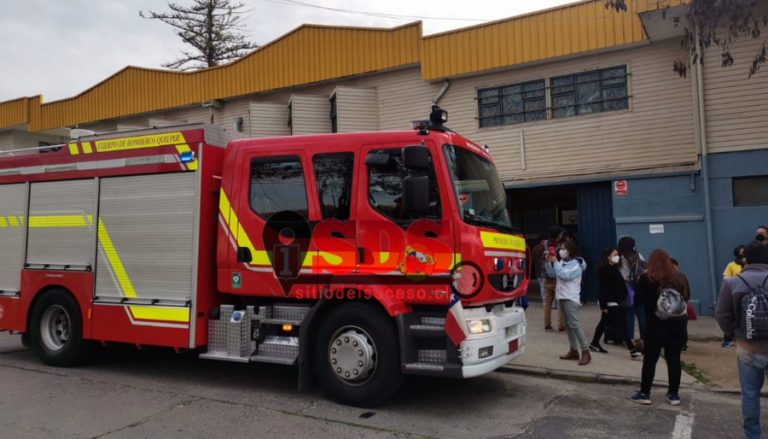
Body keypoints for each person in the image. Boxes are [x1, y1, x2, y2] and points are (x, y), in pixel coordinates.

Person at [715, 242, 768, 439]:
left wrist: (735, 333)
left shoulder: (733, 282)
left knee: (750, 394)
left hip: (748, 347)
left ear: (747, 259)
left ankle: (753, 435)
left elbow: (722, 315)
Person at [630, 249, 689, 405]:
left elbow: (638, 302)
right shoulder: (679, 278)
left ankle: (645, 392)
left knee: (650, 360)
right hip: (677, 324)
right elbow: (686, 297)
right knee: (674, 359)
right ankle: (673, 394)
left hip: (655, 324)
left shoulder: (647, 279)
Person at [589, 247, 641, 358]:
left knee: (603, 322)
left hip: (616, 300)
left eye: (617, 254)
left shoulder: (613, 268)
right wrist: (603, 304)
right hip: (610, 301)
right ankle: (632, 349)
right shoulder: (605, 270)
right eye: (614, 255)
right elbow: (604, 289)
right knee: (621, 324)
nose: (617, 257)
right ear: (608, 257)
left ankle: (594, 343)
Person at [546, 241, 590, 365]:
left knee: (575, 325)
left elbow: (565, 275)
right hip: (562, 296)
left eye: (564, 248)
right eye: (561, 249)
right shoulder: (562, 262)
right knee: (568, 326)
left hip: (571, 297)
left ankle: (586, 351)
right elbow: (552, 274)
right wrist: (549, 261)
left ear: (570, 250)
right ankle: (573, 350)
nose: (561, 251)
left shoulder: (577, 264)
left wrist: (555, 262)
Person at [618, 236, 646, 350]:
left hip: (627, 288)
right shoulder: (638, 255)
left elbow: (621, 274)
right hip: (640, 287)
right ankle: (644, 337)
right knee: (642, 314)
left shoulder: (620, 257)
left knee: (629, 314)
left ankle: (629, 338)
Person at [721, 245, 747, 348]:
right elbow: (726, 279)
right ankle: (727, 340)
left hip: (747, 294)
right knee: (732, 316)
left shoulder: (750, 264)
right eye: (742, 252)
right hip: (735, 293)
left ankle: (744, 338)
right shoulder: (731, 265)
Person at [541, 226, 565, 332]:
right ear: (557, 235)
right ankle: (561, 325)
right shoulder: (560, 246)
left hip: (547, 276)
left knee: (547, 301)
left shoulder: (545, 244)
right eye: (560, 233)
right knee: (560, 302)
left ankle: (547, 324)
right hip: (557, 277)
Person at [670, 258, 691, 351]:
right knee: (682, 325)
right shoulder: (682, 276)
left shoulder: (665, 277)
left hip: (670, 306)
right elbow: (687, 291)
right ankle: (683, 343)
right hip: (681, 304)